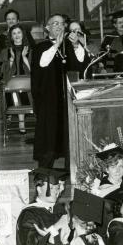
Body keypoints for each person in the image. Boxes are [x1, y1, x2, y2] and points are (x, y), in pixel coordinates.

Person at [16, 168, 70, 245]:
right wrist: (56, 227)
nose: (57, 190)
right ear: (39, 188)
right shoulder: (29, 215)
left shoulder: (59, 211)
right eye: (52, 187)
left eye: (57, 187)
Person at [31, 14, 69, 168]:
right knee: (49, 135)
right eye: (55, 23)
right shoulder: (41, 47)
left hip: (68, 99)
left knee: (69, 134)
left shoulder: (70, 46)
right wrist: (56, 45)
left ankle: (71, 169)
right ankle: (45, 171)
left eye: (62, 23)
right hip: (49, 100)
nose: (59, 26)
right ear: (47, 28)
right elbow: (42, 64)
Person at [0, 24, 32, 133]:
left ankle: (22, 122)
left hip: (29, 83)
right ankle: (21, 123)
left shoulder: (30, 49)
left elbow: (33, 70)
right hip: (12, 83)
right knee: (15, 91)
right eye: (14, 33)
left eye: (19, 32)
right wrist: (12, 59)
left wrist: (23, 57)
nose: (17, 35)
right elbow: (5, 72)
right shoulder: (6, 51)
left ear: (23, 34)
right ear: (11, 37)